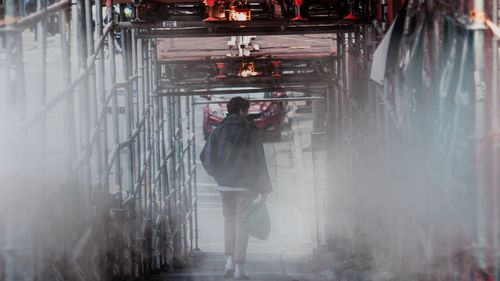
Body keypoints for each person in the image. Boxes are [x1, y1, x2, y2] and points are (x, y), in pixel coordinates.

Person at [200, 96, 272, 280]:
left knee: (229, 221)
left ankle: (228, 261)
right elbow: (259, 160)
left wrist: (218, 174)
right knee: (242, 223)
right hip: (246, 185)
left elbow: (205, 157)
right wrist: (264, 187)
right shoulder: (250, 130)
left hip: (225, 185)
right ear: (242, 110)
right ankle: (239, 268)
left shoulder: (219, 131)